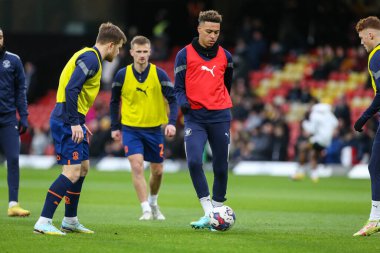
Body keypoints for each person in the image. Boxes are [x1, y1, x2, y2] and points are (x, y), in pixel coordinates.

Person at [33, 22, 127, 236]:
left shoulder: (87, 55)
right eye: (119, 47)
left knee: (83, 167)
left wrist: (80, 120)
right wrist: (75, 121)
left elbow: (75, 89)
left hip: (72, 117)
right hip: (67, 118)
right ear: (111, 45)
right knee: (72, 171)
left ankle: (70, 220)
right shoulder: (91, 59)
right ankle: (43, 221)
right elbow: (71, 88)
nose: (119, 52)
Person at [174, 10, 233, 230]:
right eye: (208, 31)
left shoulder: (226, 57)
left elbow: (227, 85)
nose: (213, 36)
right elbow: (178, 88)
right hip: (195, 118)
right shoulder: (184, 55)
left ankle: (217, 211)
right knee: (194, 162)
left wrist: (218, 102)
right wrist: (184, 103)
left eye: (216, 32)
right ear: (198, 29)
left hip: (220, 116)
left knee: (221, 165)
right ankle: (209, 213)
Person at [110, 35, 177, 220]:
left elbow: (173, 99)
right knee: (137, 166)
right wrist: (115, 126)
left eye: (145, 52)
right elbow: (114, 101)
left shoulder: (160, 74)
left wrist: (171, 122)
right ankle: (145, 208)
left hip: (154, 129)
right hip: (131, 129)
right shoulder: (122, 75)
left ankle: (153, 202)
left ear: (150, 52)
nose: (142, 55)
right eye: (138, 51)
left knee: (158, 171)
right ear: (131, 52)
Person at [353, 16, 380, 237]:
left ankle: (375, 219)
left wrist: (363, 118)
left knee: (375, 166)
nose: (362, 43)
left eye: (362, 38)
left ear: (370, 34)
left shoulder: (377, 56)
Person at [0, 27, 30, 217]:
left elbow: (20, 91)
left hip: (8, 119)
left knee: (13, 158)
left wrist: (24, 116)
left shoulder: (13, 60)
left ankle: (13, 204)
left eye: (0, 36)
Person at [291, 102, 338, 183]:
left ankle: (300, 172)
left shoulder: (315, 115)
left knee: (302, 148)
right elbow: (336, 123)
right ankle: (314, 176)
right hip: (327, 141)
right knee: (313, 155)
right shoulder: (329, 115)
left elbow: (311, 130)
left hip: (319, 139)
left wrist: (304, 123)